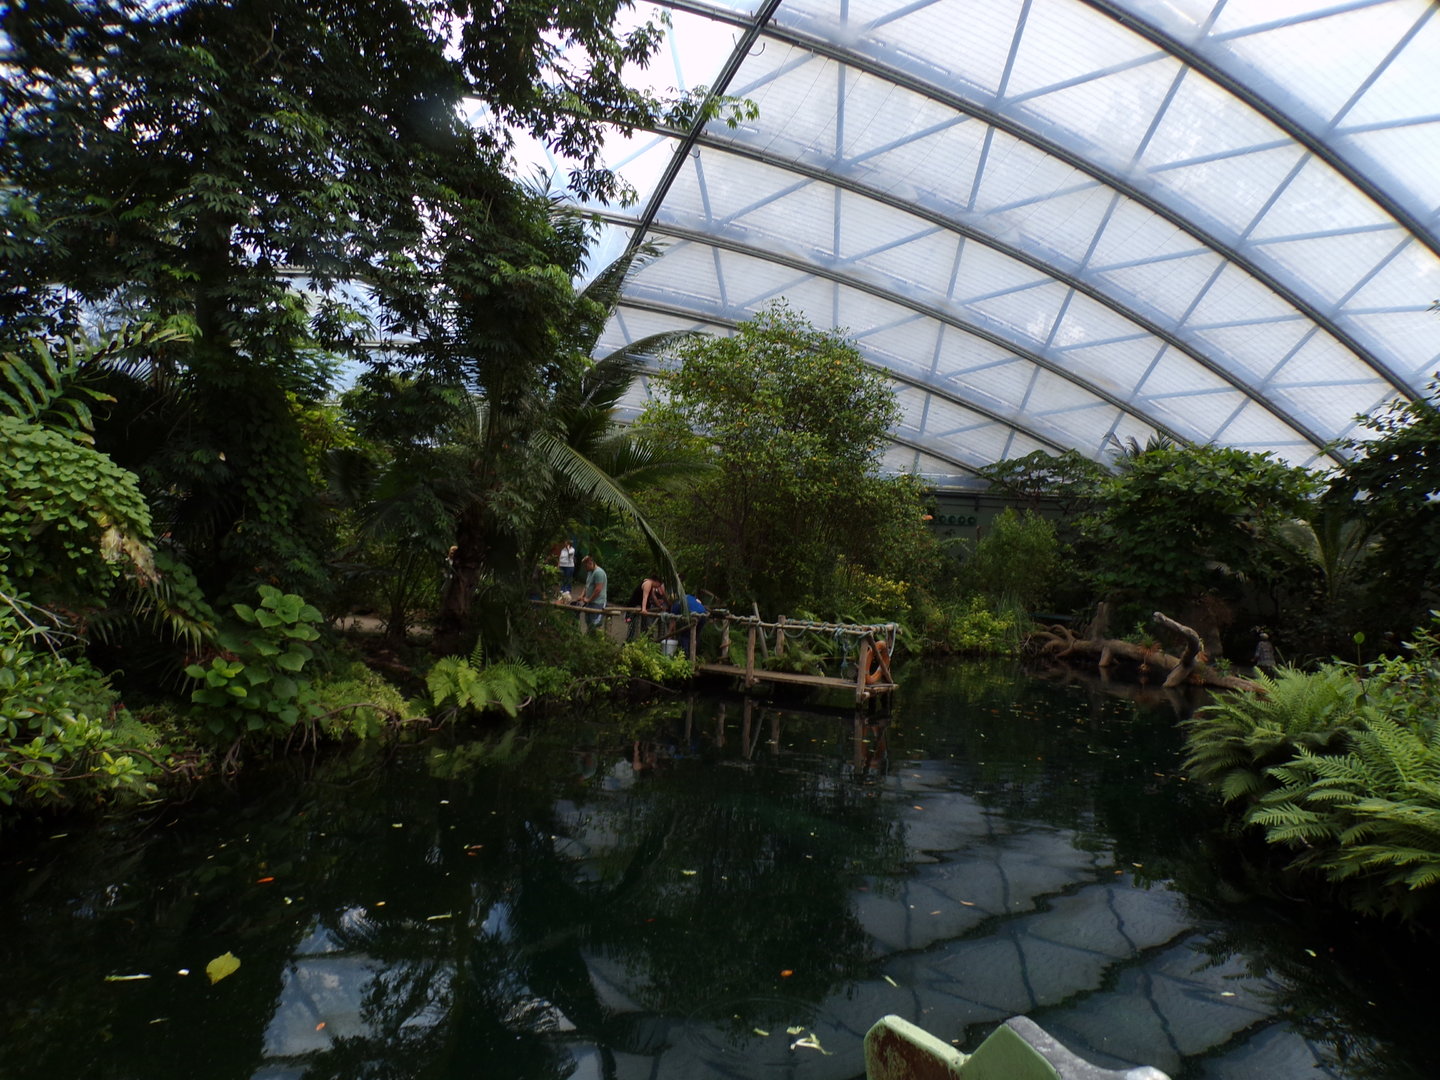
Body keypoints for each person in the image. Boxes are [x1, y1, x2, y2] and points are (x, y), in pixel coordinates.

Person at [627, 574, 668, 640]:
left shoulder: (650, 584)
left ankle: (643, 638)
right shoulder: (648, 584)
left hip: (642, 606)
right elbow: (645, 597)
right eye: (659, 585)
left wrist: (659, 606)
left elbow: (653, 597)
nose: (658, 586)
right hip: (636, 605)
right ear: (656, 581)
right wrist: (644, 609)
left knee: (644, 625)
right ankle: (633, 639)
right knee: (635, 625)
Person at [576, 554, 607, 629]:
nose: (585, 568)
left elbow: (598, 589)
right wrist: (582, 595)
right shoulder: (590, 572)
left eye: (586, 566)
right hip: (589, 602)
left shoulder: (599, 573)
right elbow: (587, 585)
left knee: (595, 624)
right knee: (588, 622)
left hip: (597, 603)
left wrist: (589, 599)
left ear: (590, 563)